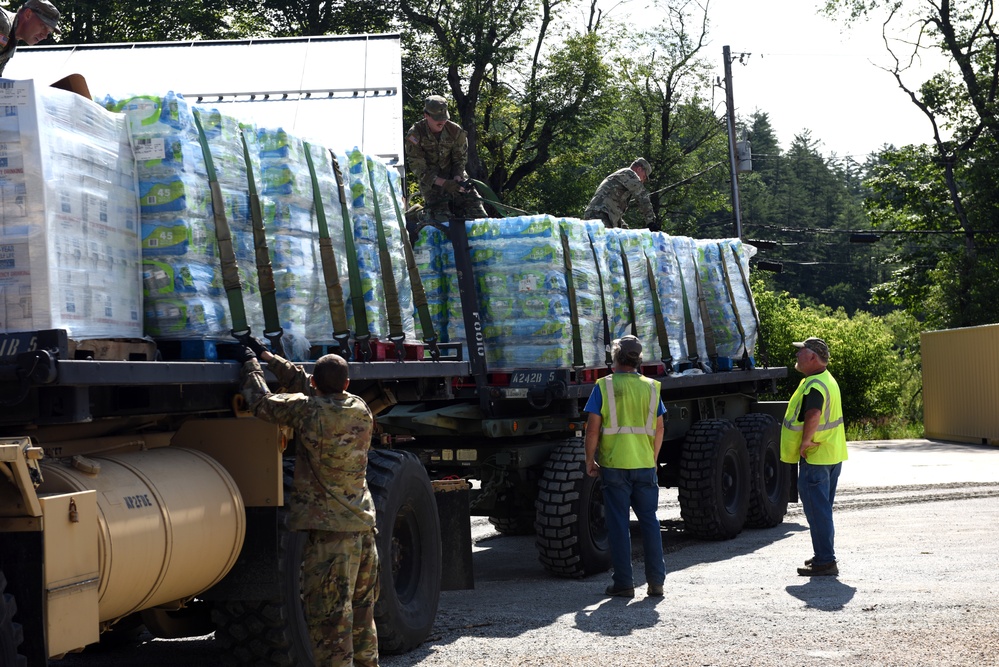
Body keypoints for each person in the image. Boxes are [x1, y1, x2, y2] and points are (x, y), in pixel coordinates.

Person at [238, 339, 380, 667]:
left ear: (315, 384)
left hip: (331, 539)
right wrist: (268, 355)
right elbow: (310, 385)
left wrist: (251, 365)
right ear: (347, 384)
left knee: (331, 624)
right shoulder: (360, 408)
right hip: (363, 533)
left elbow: (261, 403)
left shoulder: (307, 410)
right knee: (362, 619)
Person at [583, 335, 667, 598]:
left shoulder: (604, 387)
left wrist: (589, 459)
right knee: (650, 523)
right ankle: (656, 583)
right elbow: (660, 427)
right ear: (639, 359)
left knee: (619, 525)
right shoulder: (652, 387)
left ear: (615, 358)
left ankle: (624, 584)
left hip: (615, 466)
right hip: (644, 464)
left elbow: (592, 429)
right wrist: (652, 459)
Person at [779, 337, 847, 577]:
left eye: (801, 352)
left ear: (813, 357)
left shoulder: (815, 384)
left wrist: (806, 441)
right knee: (823, 510)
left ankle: (826, 560)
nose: (797, 356)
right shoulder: (827, 380)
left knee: (818, 512)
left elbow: (814, 413)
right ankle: (823, 556)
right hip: (831, 454)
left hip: (816, 455)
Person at [404, 94, 487, 222]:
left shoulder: (455, 131)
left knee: (479, 216)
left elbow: (459, 159)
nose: (442, 121)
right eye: (437, 118)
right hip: (431, 181)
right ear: (426, 115)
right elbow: (418, 168)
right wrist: (443, 183)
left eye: (444, 117)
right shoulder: (415, 134)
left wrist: (458, 177)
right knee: (441, 221)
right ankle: (419, 214)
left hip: (454, 177)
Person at [583, 158, 658, 230]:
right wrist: (650, 221)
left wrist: (627, 231)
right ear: (639, 169)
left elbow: (614, 211)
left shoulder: (622, 175)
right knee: (606, 242)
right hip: (600, 216)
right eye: (644, 177)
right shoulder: (629, 174)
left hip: (597, 214)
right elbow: (642, 197)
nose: (642, 181)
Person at [0, 0, 60, 76]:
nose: (44, 36)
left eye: (48, 32)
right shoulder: (3, 25)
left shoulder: (12, 39)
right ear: (28, 14)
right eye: (43, 26)